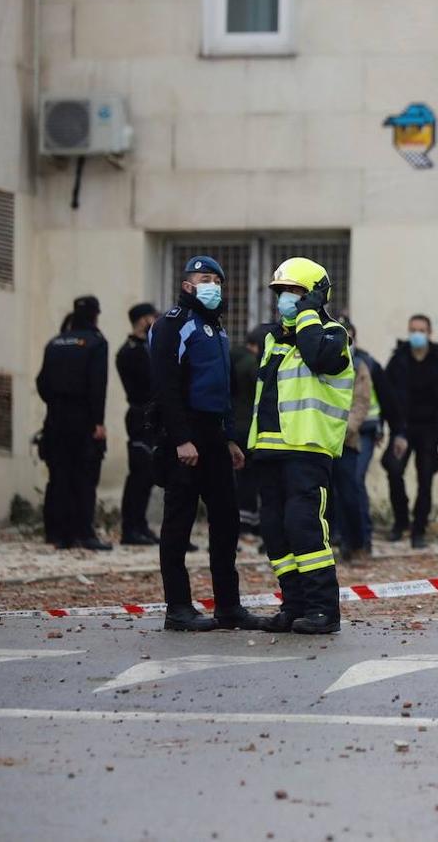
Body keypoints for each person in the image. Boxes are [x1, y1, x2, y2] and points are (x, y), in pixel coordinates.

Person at [149, 256, 266, 632]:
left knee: (227, 523)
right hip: (184, 436)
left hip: (215, 437)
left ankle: (228, 607)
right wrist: (182, 438)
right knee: (178, 525)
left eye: (217, 278)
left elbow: (225, 389)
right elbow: (165, 387)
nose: (212, 284)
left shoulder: (217, 329)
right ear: (187, 285)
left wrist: (231, 438)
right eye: (204, 278)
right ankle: (178, 608)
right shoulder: (171, 325)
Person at [248, 256, 353, 634]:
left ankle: (324, 609)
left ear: (314, 295)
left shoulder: (333, 335)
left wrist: (310, 314)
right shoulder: (274, 339)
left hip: (308, 450)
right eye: (281, 292)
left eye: (293, 291)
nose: (285, 299)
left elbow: (318, 357)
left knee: (304, 526)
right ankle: (293, 607)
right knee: (275, 531)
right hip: (270, 449)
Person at [36, 295, 111, 551]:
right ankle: (83, 533)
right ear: (95, 315)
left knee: (58, 475)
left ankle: (57, 534)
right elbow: (97, 385)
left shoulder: (54, 343)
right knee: (84, 476)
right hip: (84, 418)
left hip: (55, 417)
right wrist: (98, 422)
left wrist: (56, 403)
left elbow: (42, 383)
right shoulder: (96, 342)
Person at [385, 314, 438, 548]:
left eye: (421, 330)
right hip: (402, 429)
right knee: (394, 470)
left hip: (429, 430)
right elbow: (387, 395)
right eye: (413, 330)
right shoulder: (398, 361)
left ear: (429, 333)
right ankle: (400, 522)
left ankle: (419, 528)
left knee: (425, 478)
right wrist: (393, 427)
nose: (417, 334)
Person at [349, 323, 395, 558]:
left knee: (355, 480)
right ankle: (346, 539)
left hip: (365, 429)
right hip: (336, 431)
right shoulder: (323, 359)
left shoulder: (366, 364)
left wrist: (383, 429)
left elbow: (384, 398)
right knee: (341, 486)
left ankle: (364, 539)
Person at [116, 302, 159, 546]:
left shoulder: (146, 348)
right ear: (143, 320)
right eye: (152, 316)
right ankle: (130, 528)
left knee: (148, 475)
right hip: (139, 414)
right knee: (139, 474)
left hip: (150, 414)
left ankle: (140, 525)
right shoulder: (131, 351)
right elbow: (145, 383)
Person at [331, 317, 372, 562]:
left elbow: (361, 402)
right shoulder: (322, 360)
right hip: (322, 441)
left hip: (347, 440)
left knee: (349, 494)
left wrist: (346, 429)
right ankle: (334, 541)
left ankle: (356, 543)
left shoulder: (359, 365)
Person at [232, 325, 271, 543]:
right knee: (250, 477)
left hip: (234, 425)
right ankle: (249, 523)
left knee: (240, 476)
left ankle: (244, 522)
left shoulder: (232, 358)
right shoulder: (251, 364)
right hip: (249, 426)